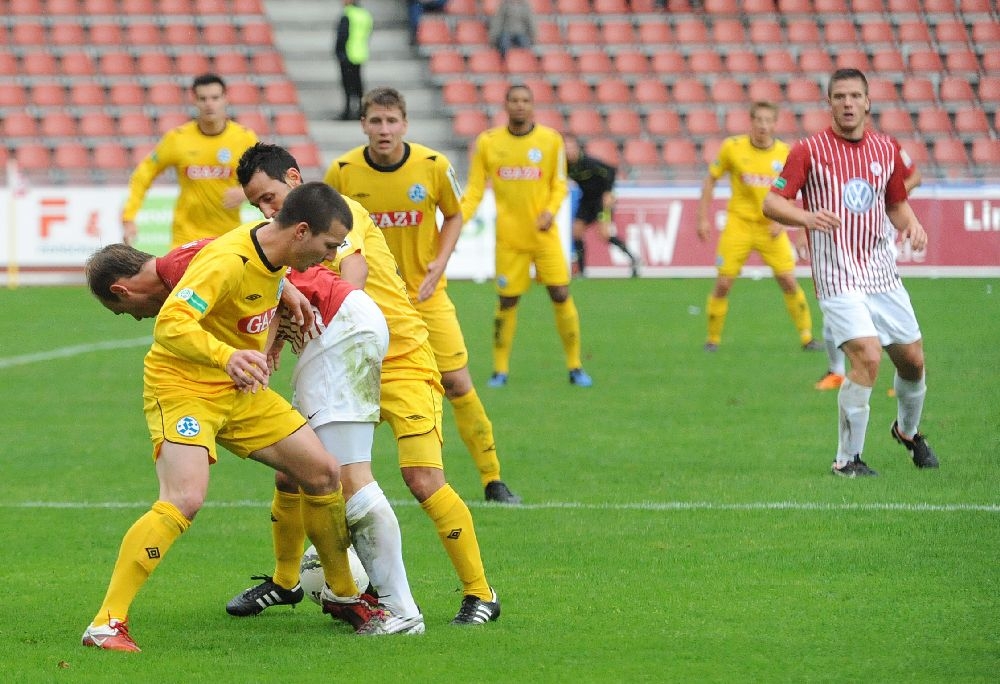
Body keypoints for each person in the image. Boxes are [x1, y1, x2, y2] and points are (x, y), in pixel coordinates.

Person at [80, 183, 386, 652]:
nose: (328, 258)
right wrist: (227, 356)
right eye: (327, 247)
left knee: (323, 474)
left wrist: (284, 292)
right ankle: (106, 624)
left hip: (239, 390)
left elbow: (264, 278)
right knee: (184, 498)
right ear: (301, 232)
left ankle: (344, 594)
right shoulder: (227, 260)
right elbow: (171, 323)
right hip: (184, 388)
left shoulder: (274, 252)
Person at [238, 143, 502, 625]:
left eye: (270, 196)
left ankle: (479, 592)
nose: (266, 209)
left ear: (294, 179)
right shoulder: (283, 237)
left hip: (397, 355)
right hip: (337, 359)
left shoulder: (337, 211)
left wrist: (341, 316)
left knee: (422, 479)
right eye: (258, 204)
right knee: (295, 471)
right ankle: (286, 580)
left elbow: (351, 270)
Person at [323, 87, 521, 504]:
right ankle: (344, 485)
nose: (383, 129)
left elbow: (454, 213)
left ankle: (493, 479)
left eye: (391, 121)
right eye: (375, 121)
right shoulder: (342, 172)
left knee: (458, 381)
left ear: (405, 125)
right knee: (353, 392)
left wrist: (440, 262)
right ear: (363, 125)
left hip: (425, 297)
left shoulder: (433, 166)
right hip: (366, 305)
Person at [762, 68, 940, 477]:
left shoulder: (885, 149)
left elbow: (895, 203)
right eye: (839, 96)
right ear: (829, 103)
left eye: (854, 96)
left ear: (867, 102)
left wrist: (911, 224)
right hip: (837, 276)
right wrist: (807, 216)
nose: (847, 103)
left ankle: (907, 432)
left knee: (913, 362)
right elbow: (772, 204)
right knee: (868, 357)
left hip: (882, 274)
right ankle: (847, 460)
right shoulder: (808, 150)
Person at [462, 84, 591, 388]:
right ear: (505, 105)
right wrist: (458, 220)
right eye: (514, 100)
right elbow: (475, 190)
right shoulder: (489, 143)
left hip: (544, 236)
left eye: (525, 101)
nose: (520, 105)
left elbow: (560, 183)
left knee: (560, 293)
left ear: (533, 106)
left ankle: (575, 366)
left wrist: (550, 210)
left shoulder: (550, 141)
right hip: (509, 238)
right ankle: (500, 370)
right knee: (507, 300)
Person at [696, 101, 821, 353]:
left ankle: (807, 337)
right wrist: (702, 217)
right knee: (723, 283)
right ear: (751, 122)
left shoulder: (785, 153)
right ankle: (712, 340)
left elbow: (800, 191)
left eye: (768, 121)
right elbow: (711, 179)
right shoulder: (732, 148)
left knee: (787, 280)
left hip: (771, 227)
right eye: (759, 120)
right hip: (739, 225)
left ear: (775, 124)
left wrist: (793, 227)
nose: (763, 126)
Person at [815, 146, 923, 391]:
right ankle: (837, 371)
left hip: (878, 250)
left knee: (889, 320)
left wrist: (886, 195)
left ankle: (902, 375)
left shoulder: (889, 147)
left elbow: (915, 176)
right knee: (836, 313)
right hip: (846, 250)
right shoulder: (833, 151)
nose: (849, 105)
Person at [121, 73, 258, 248]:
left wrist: (246, 192)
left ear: (225, 99)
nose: (209, 104)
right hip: (186, 236)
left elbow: (265, 178)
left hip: (228, 236)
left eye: (215, 98)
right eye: (203, 98)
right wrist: (129, 218)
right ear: (194, 101)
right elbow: (143, 175)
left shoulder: (245, 138)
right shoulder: (178, 139)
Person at [564, 134, 639, 278]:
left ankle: (633, 259)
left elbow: (611, 171)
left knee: (604, 234)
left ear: (577, 148)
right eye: (565, 147)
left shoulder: (589, 162)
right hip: (586, 200)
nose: (568, 151)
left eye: (570, 147)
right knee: (576, 232)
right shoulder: (565, 166)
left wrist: (608, 193)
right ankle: (581, 272)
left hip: (601, 200)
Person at [334, 0, 373, 120]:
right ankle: (362, 111)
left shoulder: (348, 14)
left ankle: (348, 111)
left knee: (347, 84)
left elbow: (342, 36)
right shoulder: (365, 14)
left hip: (347, 53)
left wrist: (338, 52)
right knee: (358, 84)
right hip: (360, 53)